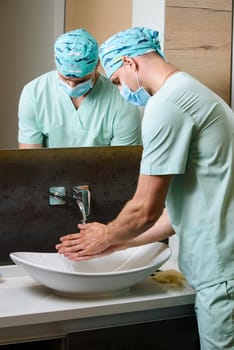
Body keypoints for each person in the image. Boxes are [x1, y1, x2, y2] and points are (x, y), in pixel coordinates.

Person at [56, 27, 234, 349]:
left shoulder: (167, 104)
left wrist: (108, 234)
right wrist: (119, 244)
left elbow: (145, 210)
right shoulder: (192, 92)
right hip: (223, 268)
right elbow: (181, 212)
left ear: (129, 63)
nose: (122, 89)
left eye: (117, 80)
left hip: (222, 273)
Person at [18, 28, 141, 148]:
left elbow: (121, 163)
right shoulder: (34, 93)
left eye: (81, 81)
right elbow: (30, 159)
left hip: (104, 169)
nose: (72, 86)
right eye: (65, 79)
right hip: (47, 168)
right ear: (56, 60)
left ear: (97, 64)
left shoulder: (122, 101)